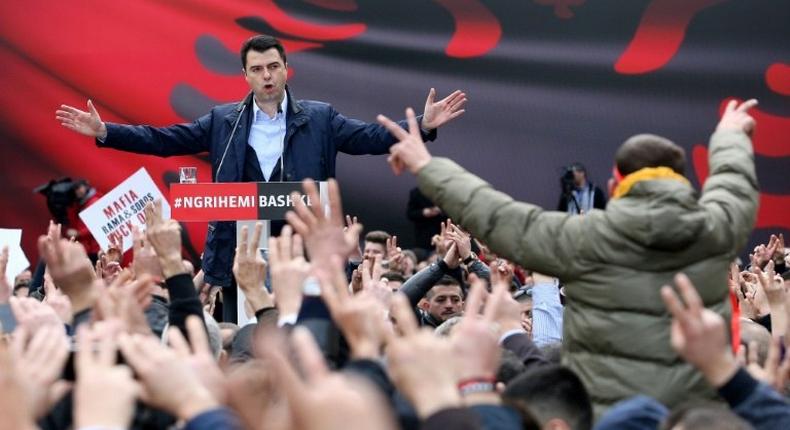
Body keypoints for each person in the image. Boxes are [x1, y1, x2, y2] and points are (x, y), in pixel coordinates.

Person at [377, 99, 759, 416]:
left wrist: (427, 167)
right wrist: (729, 138)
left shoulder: (585, 237)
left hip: (609, 418)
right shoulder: (717, 227)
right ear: (683, 181)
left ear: (614, 186)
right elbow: (733, 183)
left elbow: (496, 214)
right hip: (696, 419)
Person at [55, 34, 466, 321]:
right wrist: (106, 132)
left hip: (302, 248)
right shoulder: (224, 121)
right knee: (248, 333)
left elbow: (371, 137)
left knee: (304, 331)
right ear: (246, 76)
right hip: (241, 248)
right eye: (257, 69)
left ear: (288, 70)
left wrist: (423, 125)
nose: (266, 75)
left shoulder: (320, 118)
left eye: (273, 67)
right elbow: (164, 139)